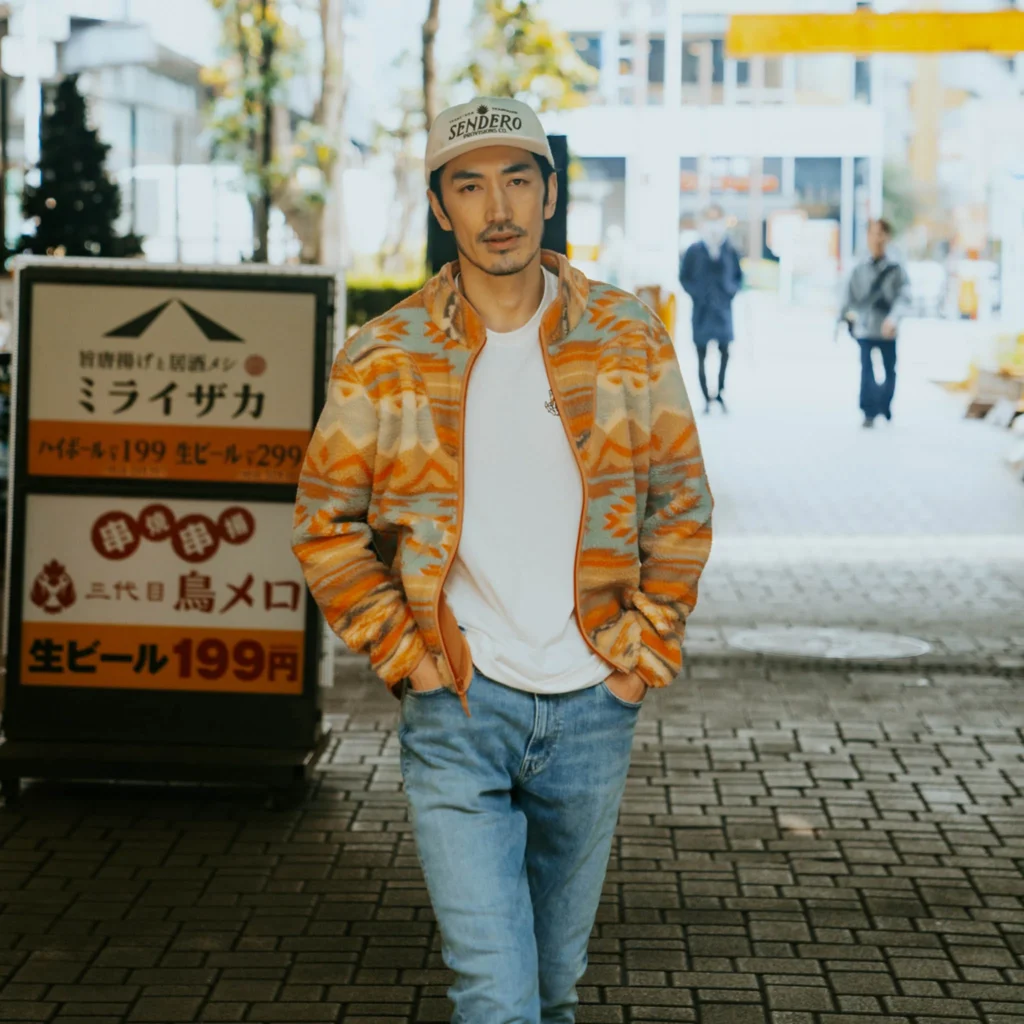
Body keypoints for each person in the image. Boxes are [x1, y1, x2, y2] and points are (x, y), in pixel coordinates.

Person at [293, 96, 713, 1023]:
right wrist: (410, 659)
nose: (498, 210)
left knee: (551, 993)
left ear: (550, 193)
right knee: (495, 996)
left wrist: (639, 658)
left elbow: (681, 504)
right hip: (459, 703)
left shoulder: (626, 336)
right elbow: (325, 524)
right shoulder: (386, 354)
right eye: (470, 186)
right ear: (440, 206)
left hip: (593, 703)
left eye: (518, 181)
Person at [840, 218, 911, 428]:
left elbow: (905, 295)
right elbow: (848, 296)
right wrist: (845, 318)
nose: (877, 238)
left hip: (888, 328)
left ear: (887, 237)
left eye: (881, 234)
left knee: (890, 370)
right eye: (873, 233)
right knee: (866, 370)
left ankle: (885, 405)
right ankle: (869, 411)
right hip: (865, 326)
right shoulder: (859, 266)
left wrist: (894, 318)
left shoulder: (896, 267)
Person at [679, 204, 743, 414]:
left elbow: (738, 277)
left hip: (723, 310)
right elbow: (684, 277)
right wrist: (697, 294)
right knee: (701, 354)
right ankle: (706, 397)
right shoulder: (694, 250)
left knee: (725, 351)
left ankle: (720, 392)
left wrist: (729, 291)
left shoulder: (729, 249)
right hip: (702, 310)